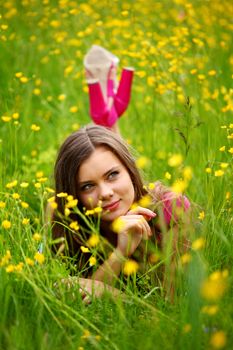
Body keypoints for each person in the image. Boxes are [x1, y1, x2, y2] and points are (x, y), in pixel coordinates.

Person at [49, 123, 191, 303]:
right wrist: (121, 253)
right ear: (74, 196)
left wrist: (109, 293)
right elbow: (80, 300)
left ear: (130, 171)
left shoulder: (170, 208)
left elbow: (170, 310)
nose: (105, 193)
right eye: (88, 186)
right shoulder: (69, 225)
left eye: (112, 175)